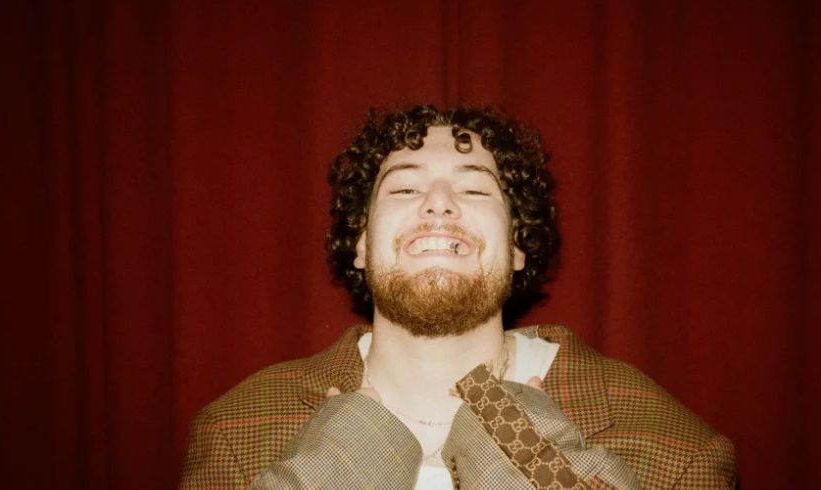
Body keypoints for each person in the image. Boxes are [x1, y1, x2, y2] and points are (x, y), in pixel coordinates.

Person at [180, 105, 737, 489]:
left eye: (473, 188)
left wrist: (523, 455)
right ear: (361, 245)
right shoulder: (235, 432)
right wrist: (344, 463)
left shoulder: (675, 448)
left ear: (518, 245)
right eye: (404, 187)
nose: (439, 204)